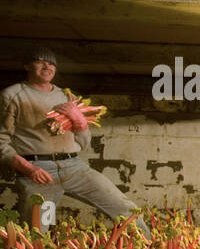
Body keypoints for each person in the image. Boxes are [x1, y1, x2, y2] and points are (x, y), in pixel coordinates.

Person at [1, 47, 148, 235]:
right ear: (27, 66)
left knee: (124, 207)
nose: (47, 66)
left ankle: (149, 248)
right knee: (39, 230)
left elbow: (84, 143)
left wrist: (78, 120)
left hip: (74, 168)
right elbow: (2, 143)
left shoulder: (67, 96)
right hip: (40, 174)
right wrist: (29, 169)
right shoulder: (13, 95)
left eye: (51, 63)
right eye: (41, 61)